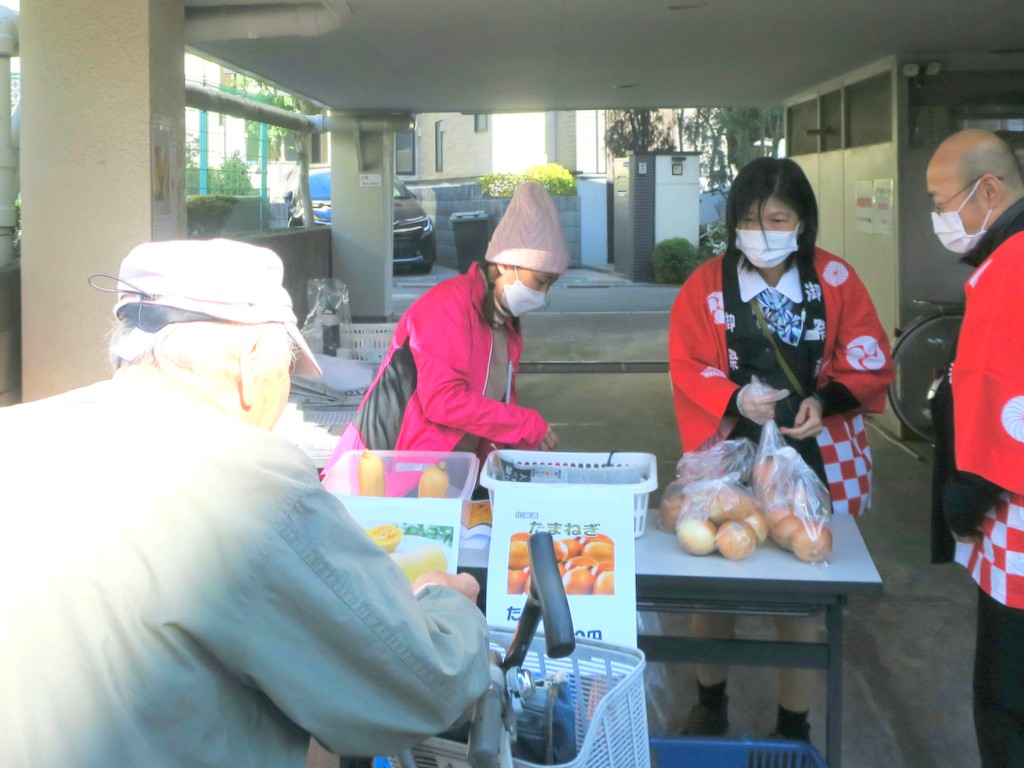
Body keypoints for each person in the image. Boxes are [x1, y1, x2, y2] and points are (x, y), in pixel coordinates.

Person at [0, 239, 491, 767]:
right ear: (254, 360)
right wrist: (447, 606)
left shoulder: (14, 435)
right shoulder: (253, 485)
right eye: (288, 376)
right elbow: (419, 690)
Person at [668, 157, 894, 740]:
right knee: (715, 584)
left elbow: (867, 352)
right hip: (732, 455)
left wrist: (830, 398)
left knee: (800, 594)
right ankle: (709, 702)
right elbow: (686, 361)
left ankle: (794, 724)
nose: (763, 232)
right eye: (749, 218)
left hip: (815, 452)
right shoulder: (705, 286)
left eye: (777, 217)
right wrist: (733, 400)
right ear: (731, 223)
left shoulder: (835, 279)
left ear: (803, 220)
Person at [321, 181, 567, 485]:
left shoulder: (506, 324)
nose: (542, 294)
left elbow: (495, 407)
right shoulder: (447, 307)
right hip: (390, 471)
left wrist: (519, 445)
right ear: (505, 264)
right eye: (540, 281)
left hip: (448, 474)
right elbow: (443, 401)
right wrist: (525, 425)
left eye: (550, 285)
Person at [926, 128, 1024, 768]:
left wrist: (961, 500)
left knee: (1006, 696)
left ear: (989, 189)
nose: (938, 219)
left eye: (942, 202)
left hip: (1014, 513)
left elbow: (1008, 399)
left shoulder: (1013, 266)